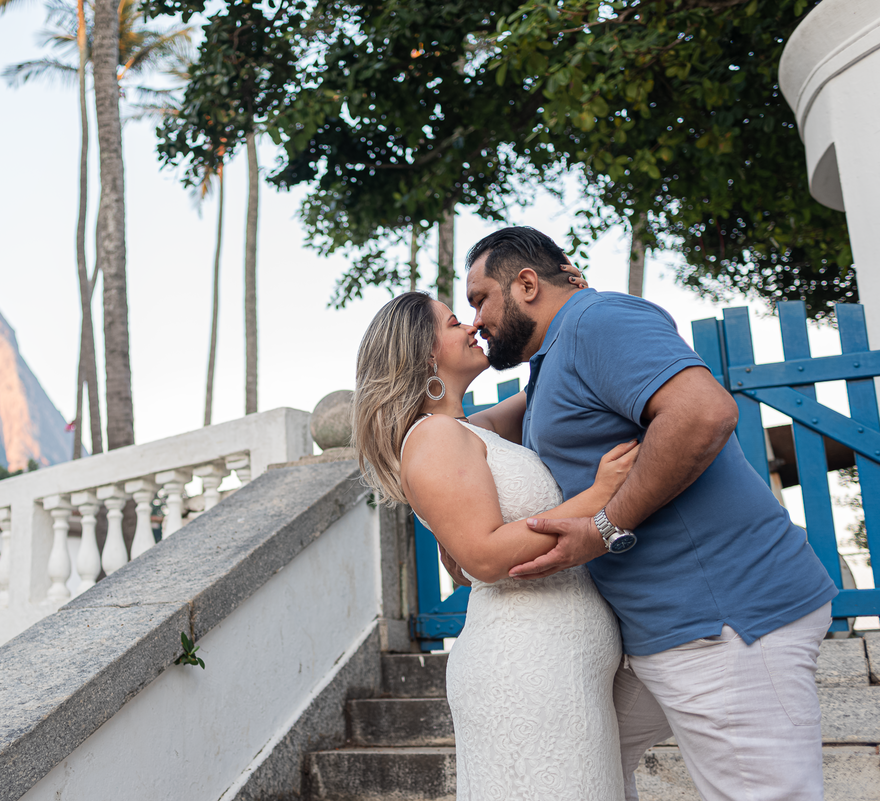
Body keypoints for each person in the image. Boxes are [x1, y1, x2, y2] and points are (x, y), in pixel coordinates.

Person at [452, 226, 838, 801]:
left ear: (527, 284)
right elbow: (469, 433)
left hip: (723, 618)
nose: (476, 320)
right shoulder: (554, 361)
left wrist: (604, 528)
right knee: (573, 765)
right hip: (657, 631)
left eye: (480, 298)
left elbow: (704, 413)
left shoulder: (596, 321)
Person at [352, 274, 640, 800]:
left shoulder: (469, 429)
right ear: (422, 355)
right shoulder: (434, 437)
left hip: (563, 668)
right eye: (454, 322)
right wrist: (603, 495)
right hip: (524, 669)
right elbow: (482, 557)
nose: (473, 325)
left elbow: (547, 381)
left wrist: (568, 292)